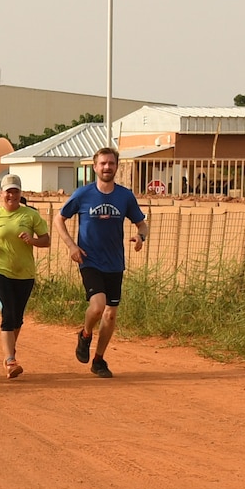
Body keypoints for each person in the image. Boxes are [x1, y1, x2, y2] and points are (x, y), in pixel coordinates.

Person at [57, 147, 147, 378]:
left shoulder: (125, 196)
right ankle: (85, 334)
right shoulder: (83, 194)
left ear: (117, 166)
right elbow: (60, 218)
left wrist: (141, 237)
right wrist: (71, 245)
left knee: (110, 315)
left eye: (111, 163)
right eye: (103, 163)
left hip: (115, 263)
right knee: (97, 307)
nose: (107, 167)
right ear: (95, 167)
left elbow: (141, 224)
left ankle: (99, 360)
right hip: (89, 260)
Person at [0, 174, 50, 379]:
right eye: (8, 191)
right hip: (0, 270)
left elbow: (46, 240)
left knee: (17, 318)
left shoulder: (30, 216)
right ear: (1, 193)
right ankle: (10, 360)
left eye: (15, 191)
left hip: (25, 273)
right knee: (8, 313)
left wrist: (32, 241)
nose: (11, 195)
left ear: (20, 193)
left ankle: (10, 351)